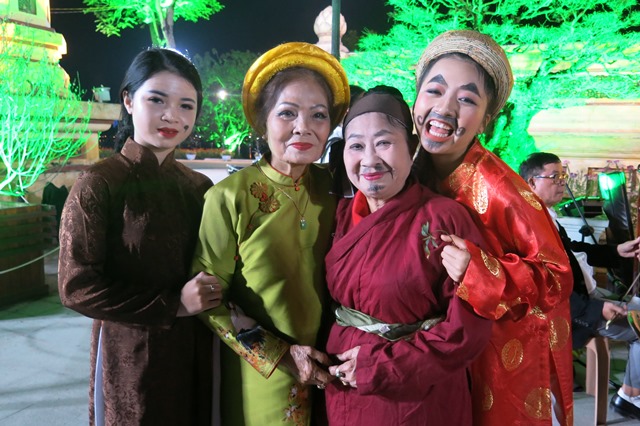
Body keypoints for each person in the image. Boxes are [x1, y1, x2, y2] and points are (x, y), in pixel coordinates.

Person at [412, 30, 574, 425]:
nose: (444, 108)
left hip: (499, 360)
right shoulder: (409, 168)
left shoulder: (499, 189)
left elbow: (557, 276)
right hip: (432, 350)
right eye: (434, 91)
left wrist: (479, 271)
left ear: (487, 120)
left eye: (466, 100)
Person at [58, 48, 221, 425]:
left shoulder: (198, 187)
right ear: (129, 100)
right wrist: (173, 305)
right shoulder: (99, 184)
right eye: (157, 100)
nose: (172, 116)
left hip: (195, 348)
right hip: (129, 356)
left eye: (186, 105)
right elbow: (76, 287)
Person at [192, 42, 350, 426]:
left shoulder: (337, 189)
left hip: (336, 371)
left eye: (318, 115)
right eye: (287, 113)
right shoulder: (230, 197)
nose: (303, 127)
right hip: (262, 377)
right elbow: (209, 300)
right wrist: (279, 355)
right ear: (263, 121)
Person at [323, 86, 492, 425]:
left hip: (417, 395)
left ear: (412, 147)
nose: (369, 160)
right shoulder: (337, 215)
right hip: (342, 388)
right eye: (356, 146)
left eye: (384, 143)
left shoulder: (444, 219)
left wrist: (381, 366)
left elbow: (468, 328)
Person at [519, 151, 640, 420]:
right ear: (531, 182)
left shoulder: (546, 216)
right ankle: (630, 396)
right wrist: (596, 309)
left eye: (563, 175)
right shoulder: (528, 225)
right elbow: (545, 288)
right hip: (569, 315)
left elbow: (575, 250)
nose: (562, 182)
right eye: (554, 176)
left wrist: (618, 250)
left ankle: (631, 392)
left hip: (586, 299)